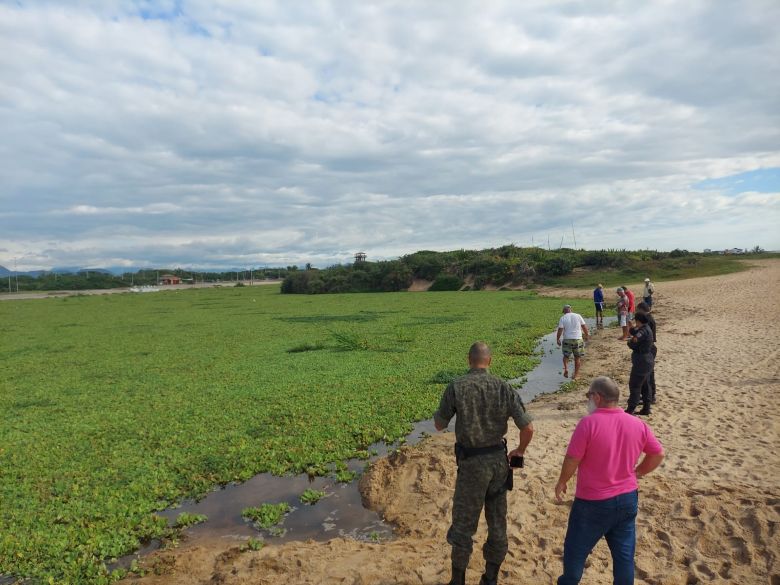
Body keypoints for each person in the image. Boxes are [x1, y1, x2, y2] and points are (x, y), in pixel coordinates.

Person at [434, 342, 535, 585]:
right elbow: (528, 427)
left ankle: (457, 580)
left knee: (463, 525)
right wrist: (519, 451)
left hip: (470, 464)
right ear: (489, 361)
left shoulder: (456, 386)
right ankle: (490, 578)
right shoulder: (503, 387)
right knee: (497, 521)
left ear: (469, 360)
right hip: (499, 463)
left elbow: (439, 425)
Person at [554, 376, 665, 585]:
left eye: (589, 395)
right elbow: (658, 454)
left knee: (575, 554)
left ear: (597, 397)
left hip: (592, 503)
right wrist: (637, 472)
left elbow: (572, 459)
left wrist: (562, 482)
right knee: (624, 558)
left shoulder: (588, 423)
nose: (588, 400)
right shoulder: (636, 423)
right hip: (626, 499)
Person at [625, 312, 655, 415]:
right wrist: (631, 327)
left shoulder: (642, 331)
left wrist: (629, 343)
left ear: (638, 321)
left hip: (641, 361)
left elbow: (633, 342)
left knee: (635, 385)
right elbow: (635, 332)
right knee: (646, 384)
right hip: (647, 360)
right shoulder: (646, 328)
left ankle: (630, 409)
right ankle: (646, 408)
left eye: (635, 321)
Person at [556, 305, 590, 380]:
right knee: (577, 358)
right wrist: (587, 335)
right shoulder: (578, 316)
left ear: (564, 311)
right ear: (570, 310)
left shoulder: (563, 318)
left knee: (566, 356)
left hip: (567, 339)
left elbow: (560, 330)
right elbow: (584, 326)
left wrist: (558, 339)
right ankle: (576, 375)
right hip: (577, 339)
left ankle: (566, 368)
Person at [635, 302, 657, 404]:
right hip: (650, 347)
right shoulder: (649, 318)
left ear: (641, 310)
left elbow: (643, 334)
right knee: (648, 374)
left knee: (647, 375)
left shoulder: (647, 320)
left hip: (648, 349)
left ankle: (649, 397)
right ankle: (649, 396)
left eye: (637, 310)